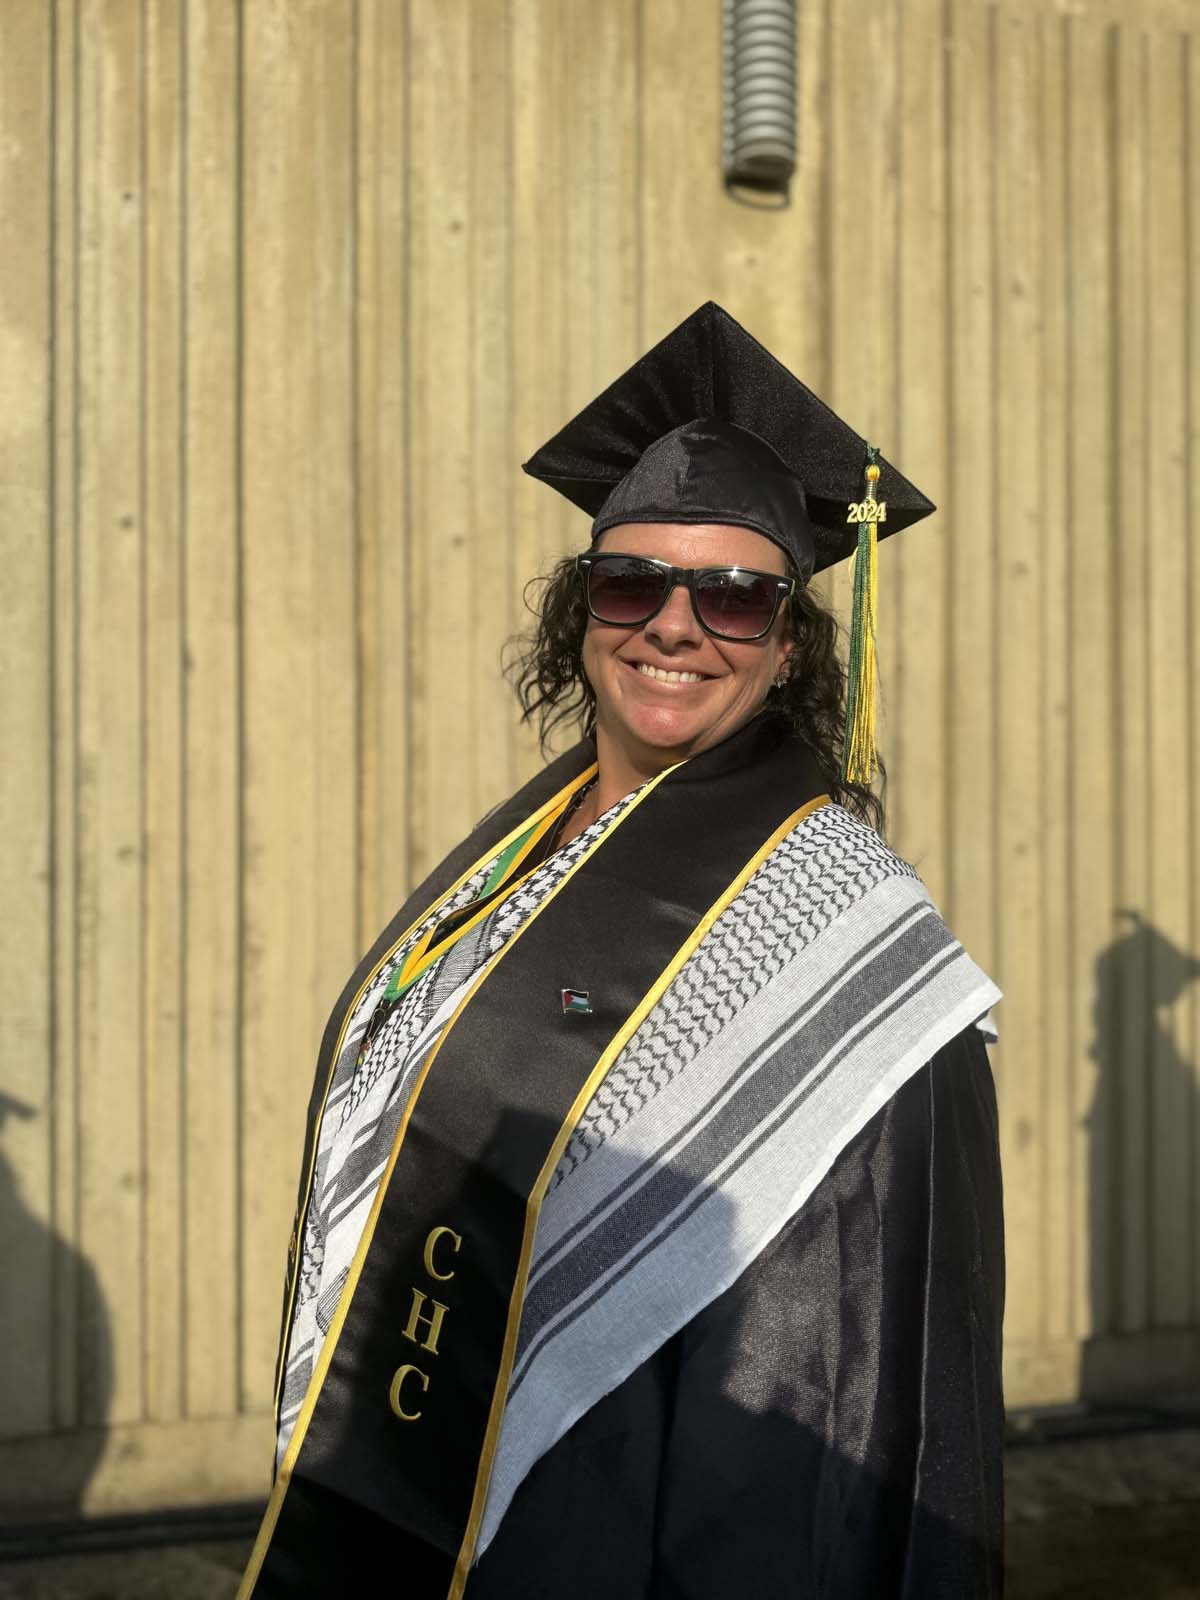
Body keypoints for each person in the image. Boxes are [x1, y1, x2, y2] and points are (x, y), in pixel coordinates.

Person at [238, 303, 1004, 1599]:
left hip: (638, 1527)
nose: (674, 626)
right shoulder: (522, 853)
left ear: (793, 639)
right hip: (445, 1494)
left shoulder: (843, 941)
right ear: (582, 605)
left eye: (736, 596)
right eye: (634, 580)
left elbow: (833, 1396)